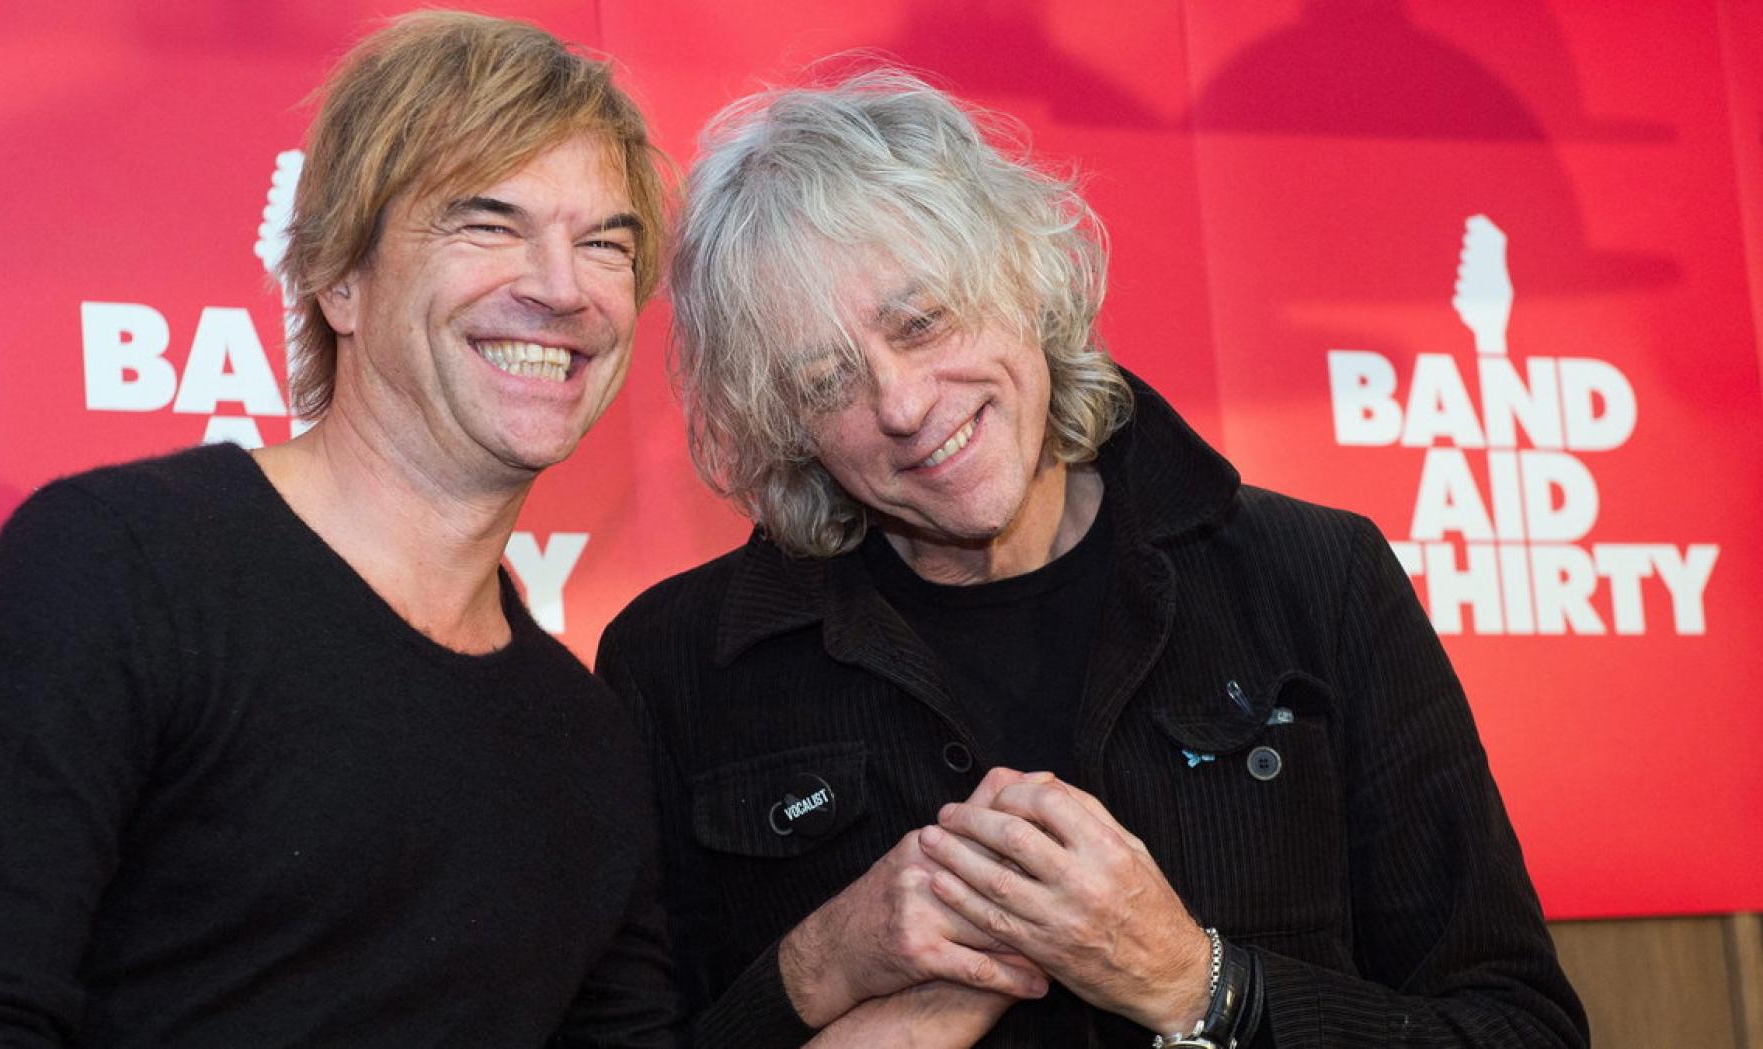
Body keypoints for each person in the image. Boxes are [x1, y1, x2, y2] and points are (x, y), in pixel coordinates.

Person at [598, 71, 1589, 1048]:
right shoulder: (677, 663)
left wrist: (1199, 985)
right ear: (786, 428)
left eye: (922, 322)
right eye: (827, 382)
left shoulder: (1315, 580)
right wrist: (822, 962)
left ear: (1025, 280)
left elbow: (1519, 1027)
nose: (901, 403)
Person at [0, 13, 676, 1047]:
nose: (562, 286)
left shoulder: (590, 744)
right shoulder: (116, 569)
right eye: (488, 225)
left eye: (605, 244)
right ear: (337, 277)